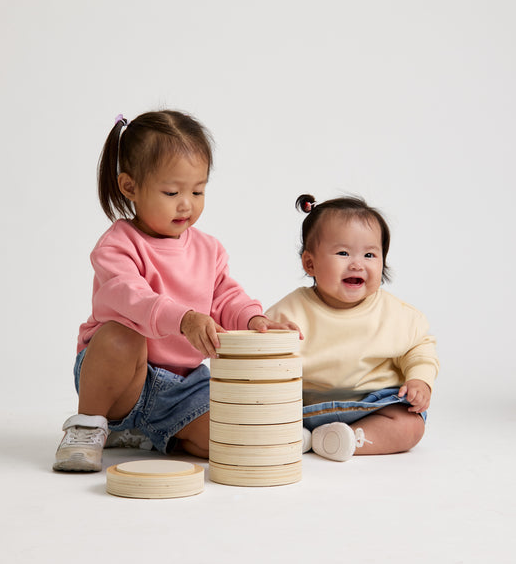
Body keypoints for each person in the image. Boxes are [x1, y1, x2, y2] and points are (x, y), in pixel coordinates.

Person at [54, 110, 297, 472]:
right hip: (121, 381)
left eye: (198, 191)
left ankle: (153, 433)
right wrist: (183, 319)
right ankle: (88, 425)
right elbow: (132, 297)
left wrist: (253, 319)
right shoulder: (117, 245)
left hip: (182, 388)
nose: (187, 203)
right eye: (172, 192)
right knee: (121, 337)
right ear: (130, 187)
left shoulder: (209, 249)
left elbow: (226, 296)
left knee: (228, 438)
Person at [265, 194, 439, 462]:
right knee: (265, 412)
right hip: (303, 406)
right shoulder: (290, 311)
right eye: (343, 253)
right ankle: (301, 435)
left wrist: (420, 379)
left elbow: (419, 349)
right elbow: (262, 351)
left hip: (374, 406)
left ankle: (344, 439)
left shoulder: (395, 314)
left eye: (369, 254)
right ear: (310, 263)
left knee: (411, 425)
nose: (357, 264)